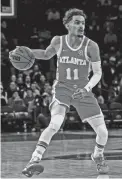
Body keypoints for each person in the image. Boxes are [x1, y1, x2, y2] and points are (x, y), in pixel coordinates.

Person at [10, 8, 109, 177]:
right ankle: (34, 160)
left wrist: (86, 88)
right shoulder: (59, 41)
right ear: (67, 24)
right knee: (55, 124)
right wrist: (26, 52)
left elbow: (98, 73)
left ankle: (98, 155)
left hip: (83, 90)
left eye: (83, 23)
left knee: (103, 132)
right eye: (77, 22)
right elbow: (46, 54)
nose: (81, 26)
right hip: (62, 88)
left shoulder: (91, 46)